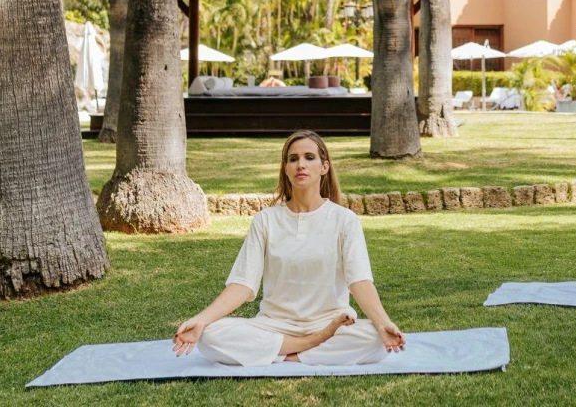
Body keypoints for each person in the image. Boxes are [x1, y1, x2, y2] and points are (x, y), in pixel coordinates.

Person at [171, 130, 406, 366]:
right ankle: (309, 347)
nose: (300, 165)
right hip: (274, 324)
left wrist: (383, 323)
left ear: (324, 167)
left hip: (331, 323)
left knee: (375, 339)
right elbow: (242, 284)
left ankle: (281, 354)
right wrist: (201, 320)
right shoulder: (266, 220)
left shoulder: (344, 220)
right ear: (286, 169)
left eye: (309, 157)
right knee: (211, 335)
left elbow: (360, 281)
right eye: (293, 159)